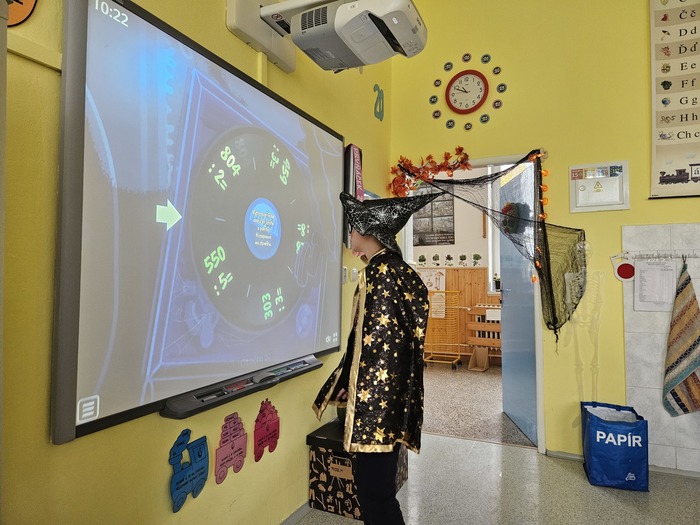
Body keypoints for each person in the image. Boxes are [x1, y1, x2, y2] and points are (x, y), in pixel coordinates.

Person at [313, 191, 440, 524]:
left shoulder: (379, 274)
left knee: (375, 494)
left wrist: (359, 391)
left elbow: (375, 347)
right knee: (378, 490)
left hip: (376, 405)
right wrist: (347, 381)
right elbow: (370, 341)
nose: (349, 234)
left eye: (352, 228)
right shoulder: (395, 270)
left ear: (368, 231)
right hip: (391, 399)